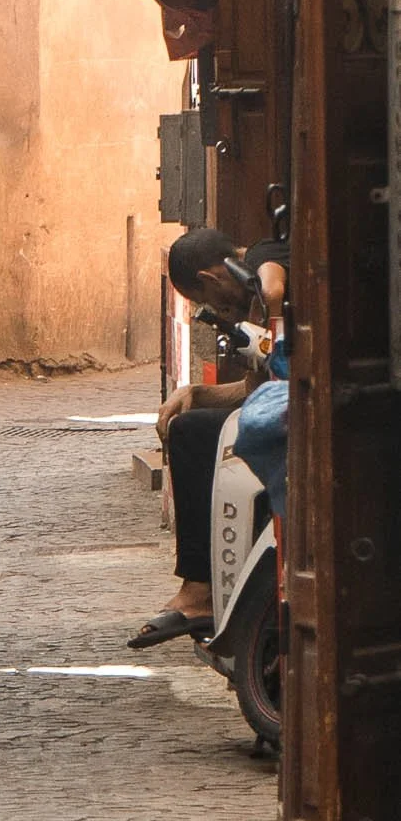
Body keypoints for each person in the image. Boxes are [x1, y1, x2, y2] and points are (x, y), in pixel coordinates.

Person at [130, 224, 288, 649]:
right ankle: (205, 585)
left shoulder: (259, 260)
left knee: (194, 436)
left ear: (210, 279)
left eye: (207, 301)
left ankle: (200, 591)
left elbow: (272, 281)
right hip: (286, 398)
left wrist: (265, 315)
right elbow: (256, 392)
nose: (218, 309)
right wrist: (198, 394)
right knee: (190, 426)